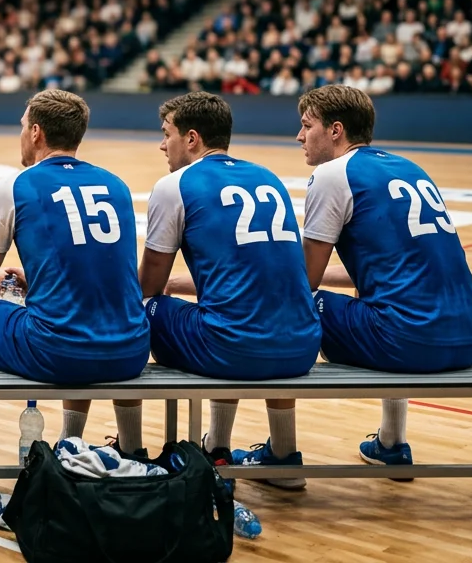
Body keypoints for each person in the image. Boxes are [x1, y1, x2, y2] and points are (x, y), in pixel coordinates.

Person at [0, 90, 150, 494]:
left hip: (58, 351)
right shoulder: (116, 185)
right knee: (85, 315)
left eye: (23, 126)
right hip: (130, 350)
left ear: (37, 132)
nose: (21, 134)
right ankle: (82, 446)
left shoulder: (15, 185)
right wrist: (41, 279)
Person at [120, 92, 321, 488]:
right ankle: (283, 455)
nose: (163, 145)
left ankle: (155, 451)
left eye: (167, 134)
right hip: (301, 344)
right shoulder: (269, 178)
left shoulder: (175, 185)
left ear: (191, 139)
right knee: (249, 311)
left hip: (232, 347)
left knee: (144, 311)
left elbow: (150, 285)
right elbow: (253, 270)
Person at [297, 85, 472, 470]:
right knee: (380, 299)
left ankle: (279, 449)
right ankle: (392, 442)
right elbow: (391, 268)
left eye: (306, 126)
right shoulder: (409, 167)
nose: (300, 136)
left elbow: (304, 280)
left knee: (294, 308)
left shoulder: (332, 174)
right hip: (469, 336)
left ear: (335, 130)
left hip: (408, 340)